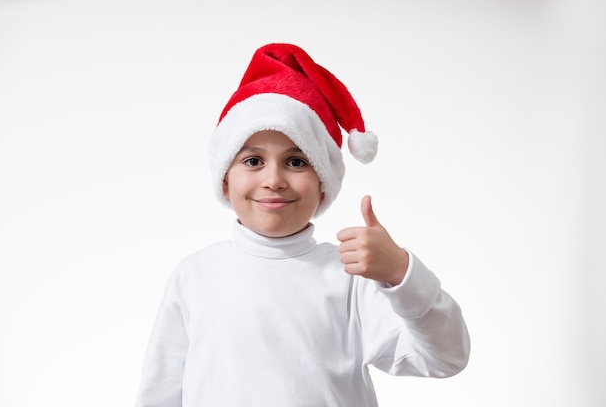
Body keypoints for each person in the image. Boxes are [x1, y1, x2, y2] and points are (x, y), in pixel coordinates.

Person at [135, 43, 470, 407]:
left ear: (324, 181)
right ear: (225, 180)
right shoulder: (194, 276)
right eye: (252, 160)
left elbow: (446, 358)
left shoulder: (351, 279)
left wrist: (402, 274)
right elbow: (160, 392)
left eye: (296, 162)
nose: (274, 179)